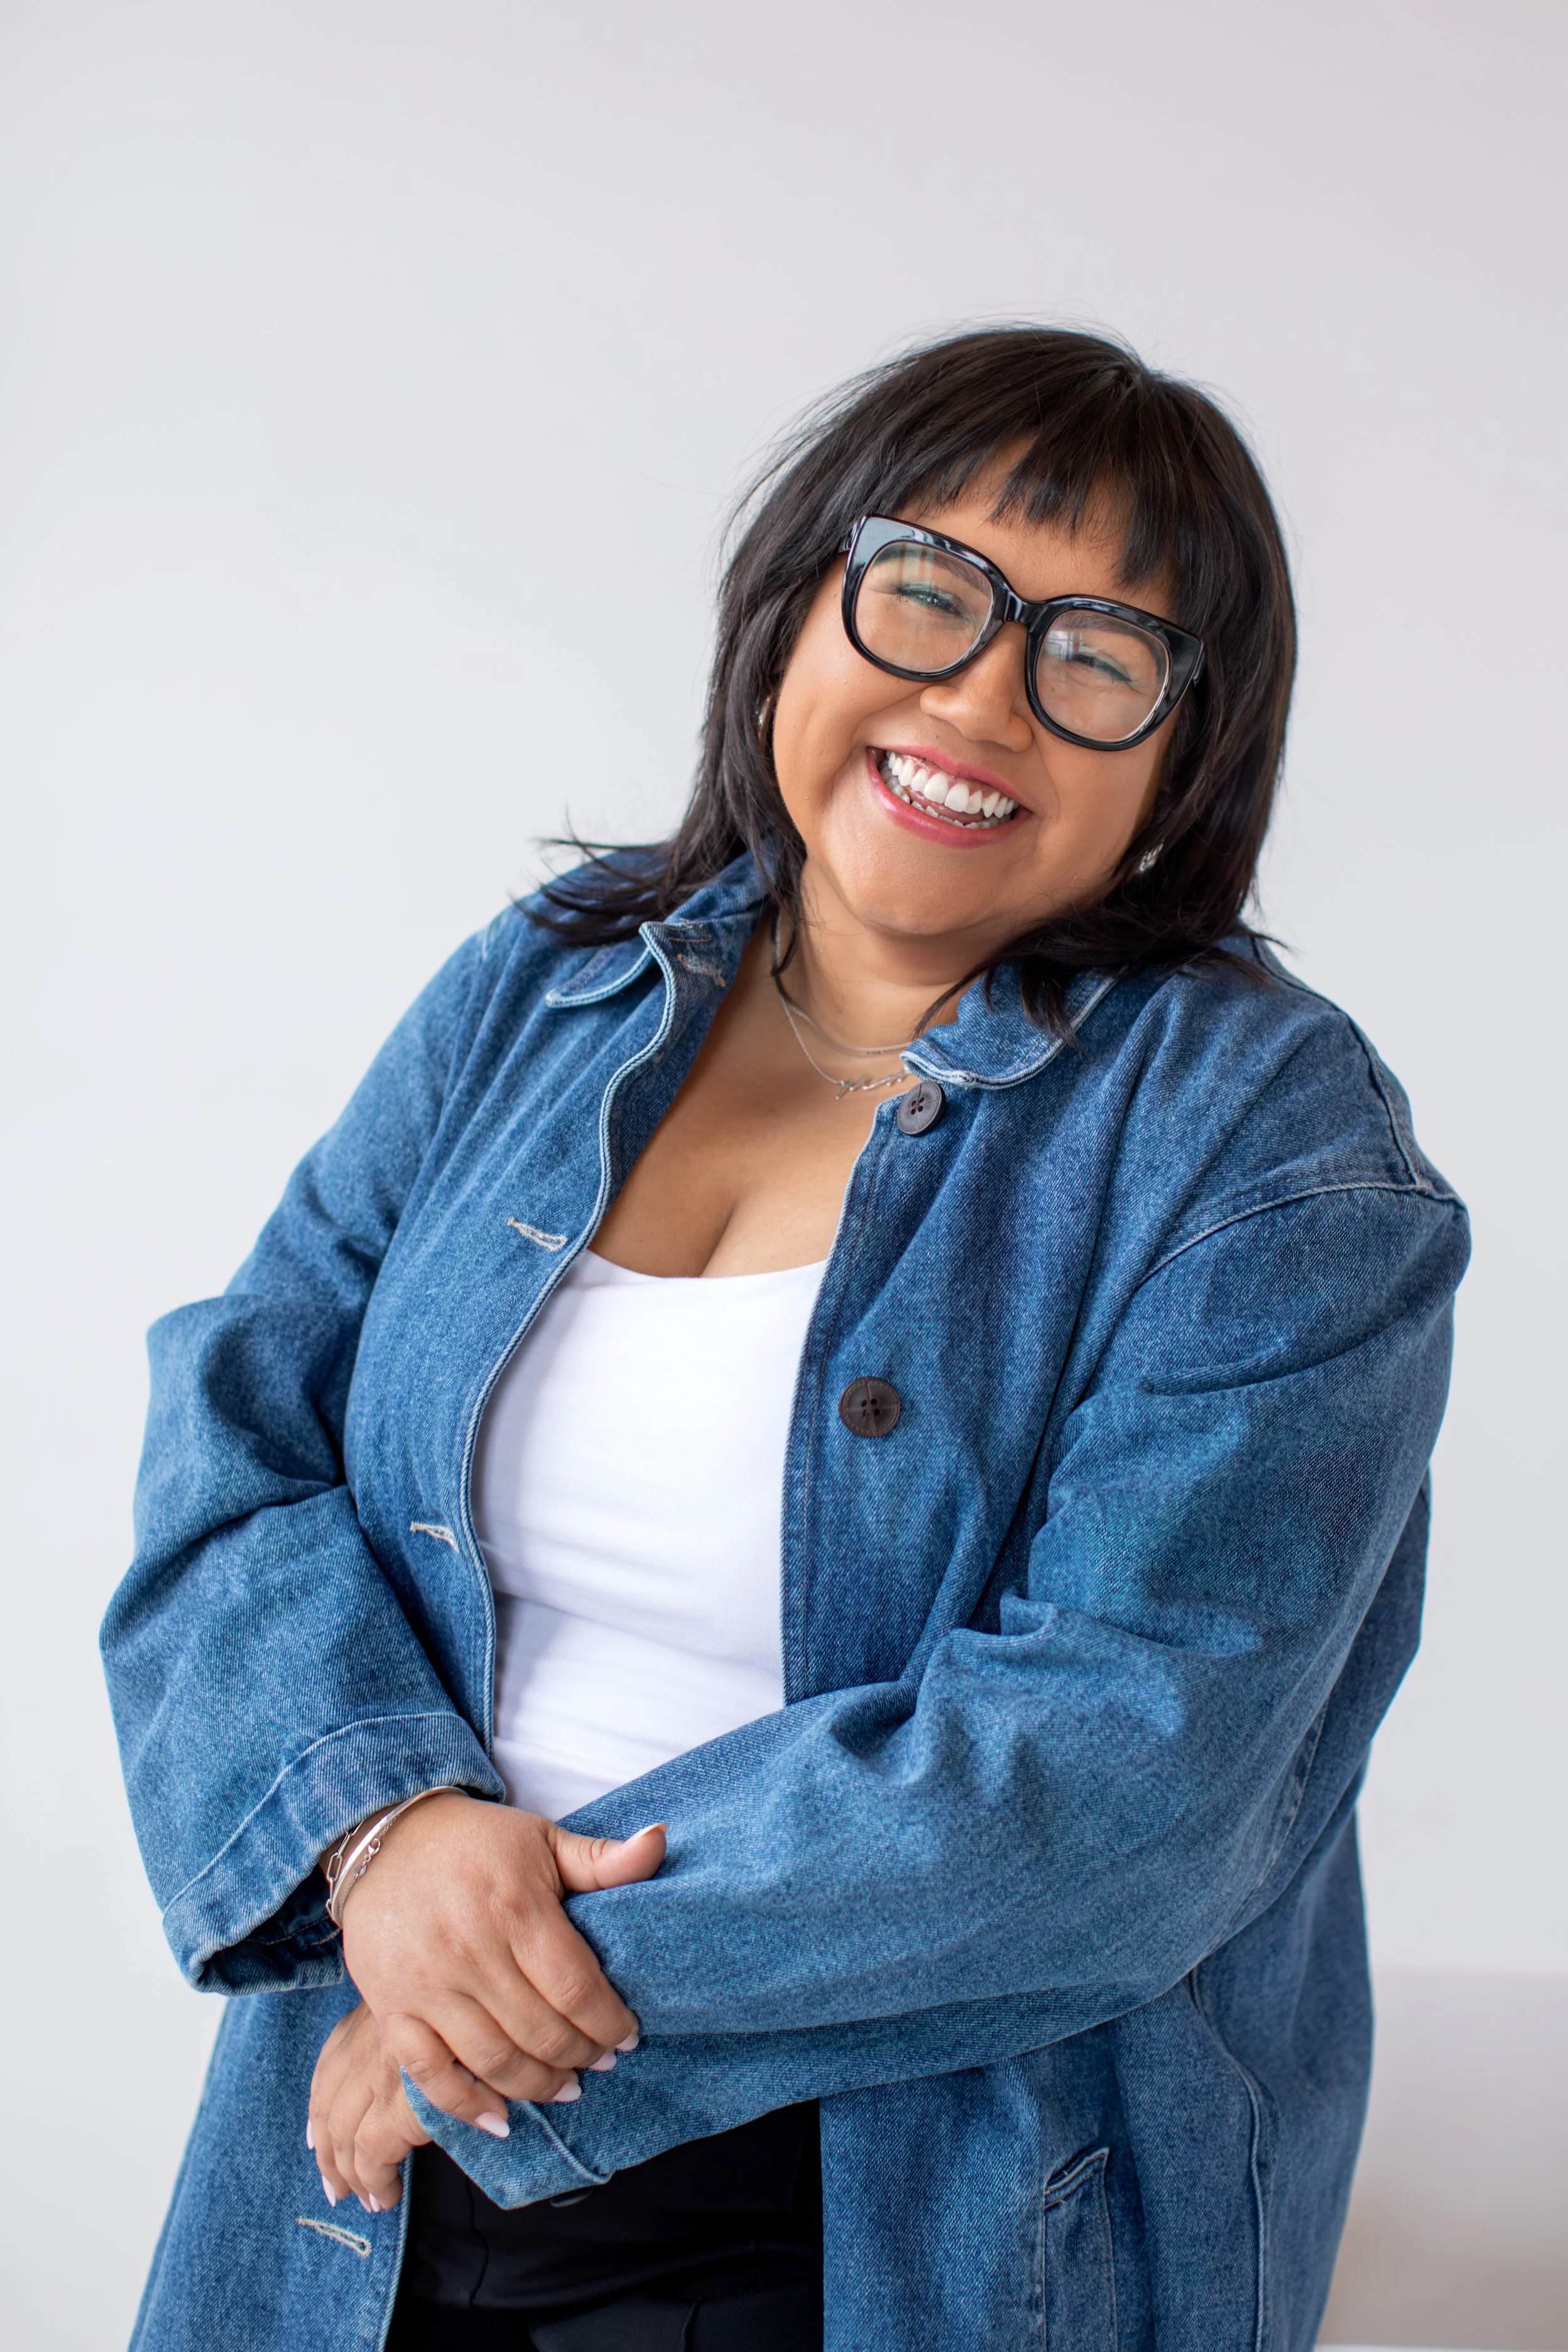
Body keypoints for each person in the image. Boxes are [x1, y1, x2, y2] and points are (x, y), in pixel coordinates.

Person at [103, 326, 1468, 2352]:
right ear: (796, 606)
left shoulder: (1266, 1145)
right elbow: (237, 1443)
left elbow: (1125, 1773)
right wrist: (380, 1841)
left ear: (1186, 756)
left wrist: (498, 1980)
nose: (980, 695)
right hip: (349, 2177)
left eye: (1094, 657)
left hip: (910, 2212)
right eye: (928, 591)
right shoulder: (547, 984)